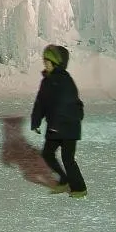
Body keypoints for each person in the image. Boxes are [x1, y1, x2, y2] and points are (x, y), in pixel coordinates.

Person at [31, 44, 87, 198]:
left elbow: (66, 105)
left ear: (57, 63)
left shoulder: (65, 81)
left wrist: (56, 124)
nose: (45, 64)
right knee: (47, 154)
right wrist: (36, 121)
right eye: (44, 61)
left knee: (67, 158)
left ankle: (80, 188)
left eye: (48, 61)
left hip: (68, 127)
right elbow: (40, 103)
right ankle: (64, 180)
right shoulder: (47, 81)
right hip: (55, 127)